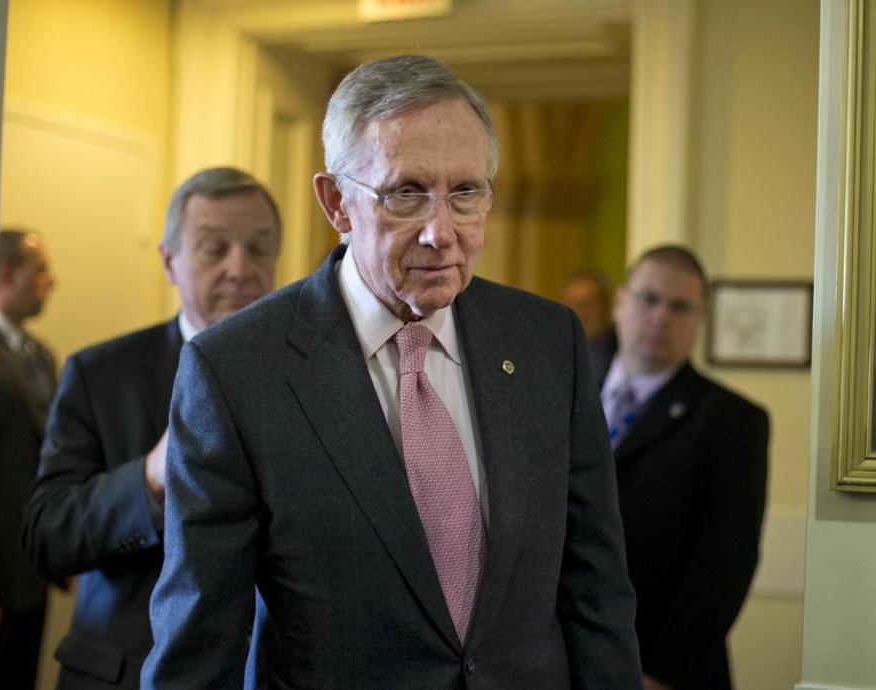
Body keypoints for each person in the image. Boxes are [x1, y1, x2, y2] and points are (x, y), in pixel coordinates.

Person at [143, 55, 642, 689]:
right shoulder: (237, 370)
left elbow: (595, 591)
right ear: (336, 203)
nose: (442, 231)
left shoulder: (548, 342)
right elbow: (200, 644)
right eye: (406, 193)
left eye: (466, 192)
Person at [23, 167, 281, 689]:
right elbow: (47, 535)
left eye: (259, 248)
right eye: (215, 248)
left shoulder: (311, 374)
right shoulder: (99, 375)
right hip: (128, 671)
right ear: (169, 260)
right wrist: (150, 477)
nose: (240, 268)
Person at [597, 245, 769, 690]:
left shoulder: (732, 422)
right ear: (620, 302)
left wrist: (662, 671)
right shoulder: (563, 387)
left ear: (699, 321)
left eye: (680, 306)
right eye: (648, 299)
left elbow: (724, 563)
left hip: (661, 667)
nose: (660, 317)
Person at [0, 229, 57, 689]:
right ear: (5, 275)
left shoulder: (42, 357)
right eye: (40, 270)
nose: (51, 281)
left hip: (34, 570)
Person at [563, 268, 616, 374]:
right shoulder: (553, 350)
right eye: (571, 305)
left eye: (587, 305)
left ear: (606, 306)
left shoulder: (623, 350)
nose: (578, 313)